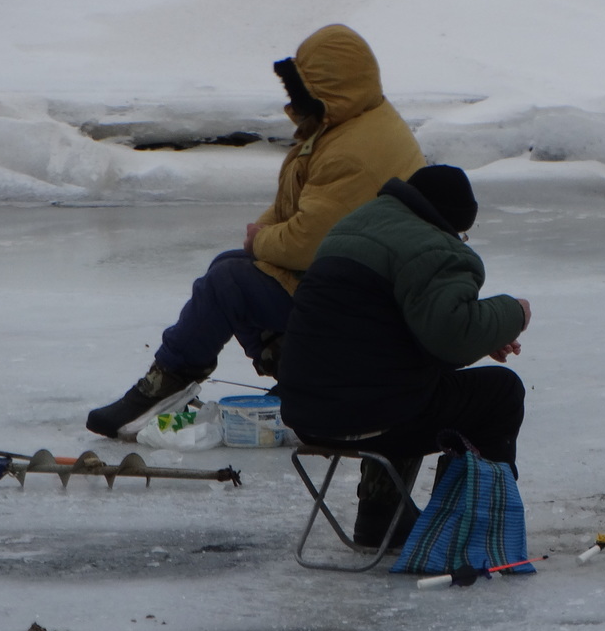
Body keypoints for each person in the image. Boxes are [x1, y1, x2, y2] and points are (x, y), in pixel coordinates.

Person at [87, 24, 426, 438]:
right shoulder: (356, 122)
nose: (294, 102)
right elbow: (306, 204)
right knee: (232, 266)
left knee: (227, 283)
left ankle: (166, 385)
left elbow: (308, 244)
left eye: (301, 89)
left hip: (369, 315)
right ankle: (301, 378)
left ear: (329, 89)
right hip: (367, 297)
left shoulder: (352, 150)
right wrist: (263, 233)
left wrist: (261, 239)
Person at [276, 164, 531, 549]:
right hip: (379, 415)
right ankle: (473, 525)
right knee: (501, 393)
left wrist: (483, 335)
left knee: (406, 384)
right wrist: (513, 314)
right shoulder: (435, 248)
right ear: (454, 224)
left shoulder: (354, 226)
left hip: (307, 415)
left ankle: (380, 519)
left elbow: (393, 335)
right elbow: (450, 339)